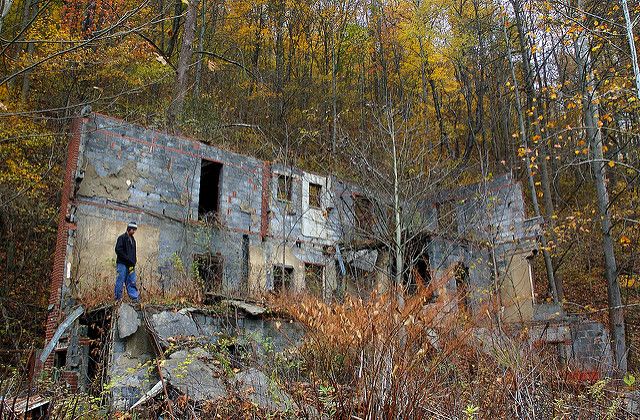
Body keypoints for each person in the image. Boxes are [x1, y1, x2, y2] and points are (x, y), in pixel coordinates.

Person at [115, 221, 140, 302]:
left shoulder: (133, 240)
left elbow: (134, 253)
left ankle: (135, 299)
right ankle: (118, 299)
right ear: (129, 228)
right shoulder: (121, 238)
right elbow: (118, 250)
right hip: (122, 264)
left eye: (135, 230)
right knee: (120, 280)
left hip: (131, 265)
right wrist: (128, 259)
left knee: (131, 281)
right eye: (133, 230)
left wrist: (134, 261)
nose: (134, 232)